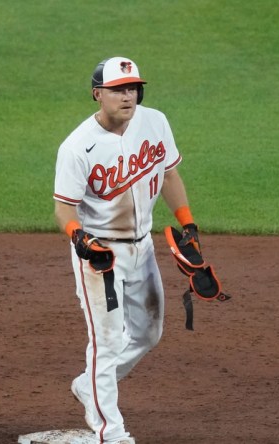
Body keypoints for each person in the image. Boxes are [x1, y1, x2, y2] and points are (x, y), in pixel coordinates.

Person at [53, 56, 202, 443]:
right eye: (118, 89)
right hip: (100, 256)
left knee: (148, 333)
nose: (128, 96)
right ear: (97, 94)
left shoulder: (156, 122)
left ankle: (90, 386)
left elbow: (169, 174)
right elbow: (63, 208)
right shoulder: (77, 147)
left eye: (133, 87)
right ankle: (111, 434)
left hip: (143, 248)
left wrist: (188, 224)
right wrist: (78, 236)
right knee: (107, 341)